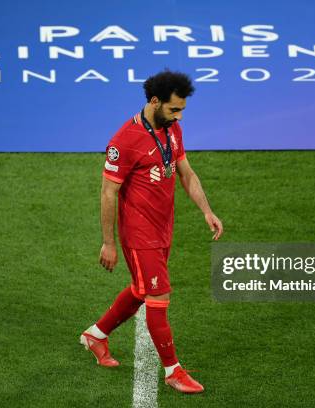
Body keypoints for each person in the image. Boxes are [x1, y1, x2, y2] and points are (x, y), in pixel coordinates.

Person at [80, 70, 223, 394]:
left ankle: (96, 336)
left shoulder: (172, 129)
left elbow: (186, 173)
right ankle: (173, 371)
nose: (180, 115)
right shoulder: (125, 141)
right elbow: (108, 192)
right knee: (158, 295)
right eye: (174, 109)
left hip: (163, 228)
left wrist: (206, 210)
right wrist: (108, 243)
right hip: (139, 233)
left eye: (183, 109)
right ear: (155, 102)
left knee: (141, 289)